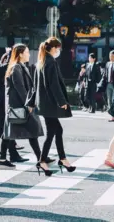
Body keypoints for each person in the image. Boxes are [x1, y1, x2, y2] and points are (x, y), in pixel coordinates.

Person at [35, 37, 75, 176]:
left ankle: (61, 159)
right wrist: (62, 101)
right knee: (53, 131)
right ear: (53, 48)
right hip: (50, 104)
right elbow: (54, 84)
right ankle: (45, 161)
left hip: (45, 104)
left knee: (56, 130)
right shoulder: (50, 62)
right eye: (58, 48)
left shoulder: (42, 61)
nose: (59, 50)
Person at [2, 44, 44, 169]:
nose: (29, 54)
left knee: (9, 134)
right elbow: (20, 88)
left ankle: (2, 158)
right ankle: (41, 159)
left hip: (17, 107)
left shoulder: (19, 67)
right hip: (18, 107)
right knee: (26, 131)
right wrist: (28, 103)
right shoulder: (16, 68)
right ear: (20, 54)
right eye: (26, 52)